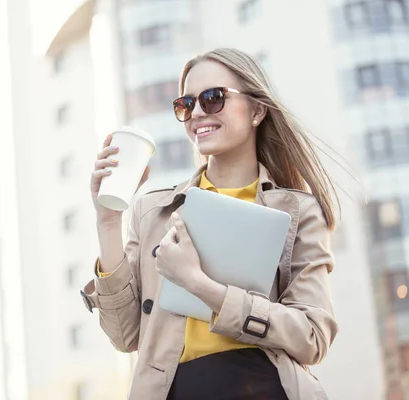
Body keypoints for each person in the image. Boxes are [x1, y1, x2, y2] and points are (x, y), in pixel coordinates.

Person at [80, 48, 339, 400]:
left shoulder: (299, 212)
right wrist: (108, 221)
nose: (198, 112)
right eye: (186, 104)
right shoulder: (152, 212)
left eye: (213, 98)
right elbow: (124, 335)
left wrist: (200, 285)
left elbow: (313, 337)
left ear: (257, 111)